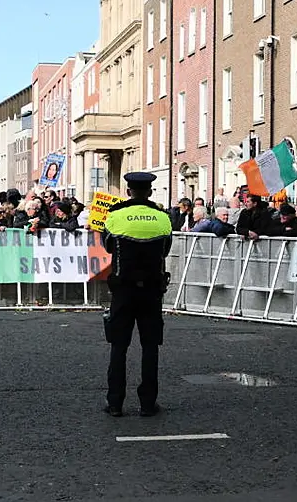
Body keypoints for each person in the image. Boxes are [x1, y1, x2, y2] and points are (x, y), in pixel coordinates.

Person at [101, 172, 173, 418]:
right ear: (150, 192)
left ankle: (115, 403)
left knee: (118, 346)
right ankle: (147, 403)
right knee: (150, 347)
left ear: (128, 190)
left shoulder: (115, 216)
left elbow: (108, 246)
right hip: (152, 290)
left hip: (123, 289)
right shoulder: (163, 218)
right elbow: (165, 249)